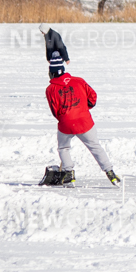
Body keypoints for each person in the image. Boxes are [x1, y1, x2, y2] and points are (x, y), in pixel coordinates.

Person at [42, 52, 118, 186]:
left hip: (66, 124)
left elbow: (55, 111)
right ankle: (110, 172)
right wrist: (84, 108)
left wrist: (66, 117)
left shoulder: (50, 89)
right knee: (95, 146)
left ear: (51, 72)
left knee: (63, 148)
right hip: (85, 122)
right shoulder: (79, 81)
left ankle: (68, 173)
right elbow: (93, 97)